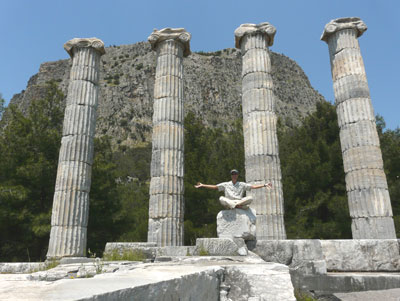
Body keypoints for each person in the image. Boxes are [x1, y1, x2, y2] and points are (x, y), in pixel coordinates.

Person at [194, 169, 272, 210]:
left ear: (237, 175)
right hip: (229, 201)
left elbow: (253, 187)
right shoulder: (226, 184)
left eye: (235, 174)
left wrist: (264, 185)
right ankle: (237, 206)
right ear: (231, 176)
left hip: (239, 201)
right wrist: (203, 185)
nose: (234, 175)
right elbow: (215, 187)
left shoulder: (241, 184)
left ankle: (235, 206)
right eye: (233, 174)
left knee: (250, 198)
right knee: (221, 198)